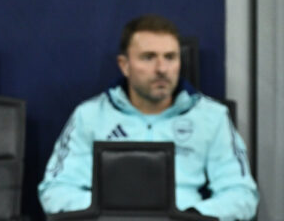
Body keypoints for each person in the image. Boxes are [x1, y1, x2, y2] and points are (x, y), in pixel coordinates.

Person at [39, 14, 258, 221]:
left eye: (170, 57)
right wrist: (105, 211)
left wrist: (191, 216)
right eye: (148, 57)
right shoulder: (89, 116)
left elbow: (241, 193)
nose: (162, 69)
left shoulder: (212, 116)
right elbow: (55, 189)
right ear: (124, 65)